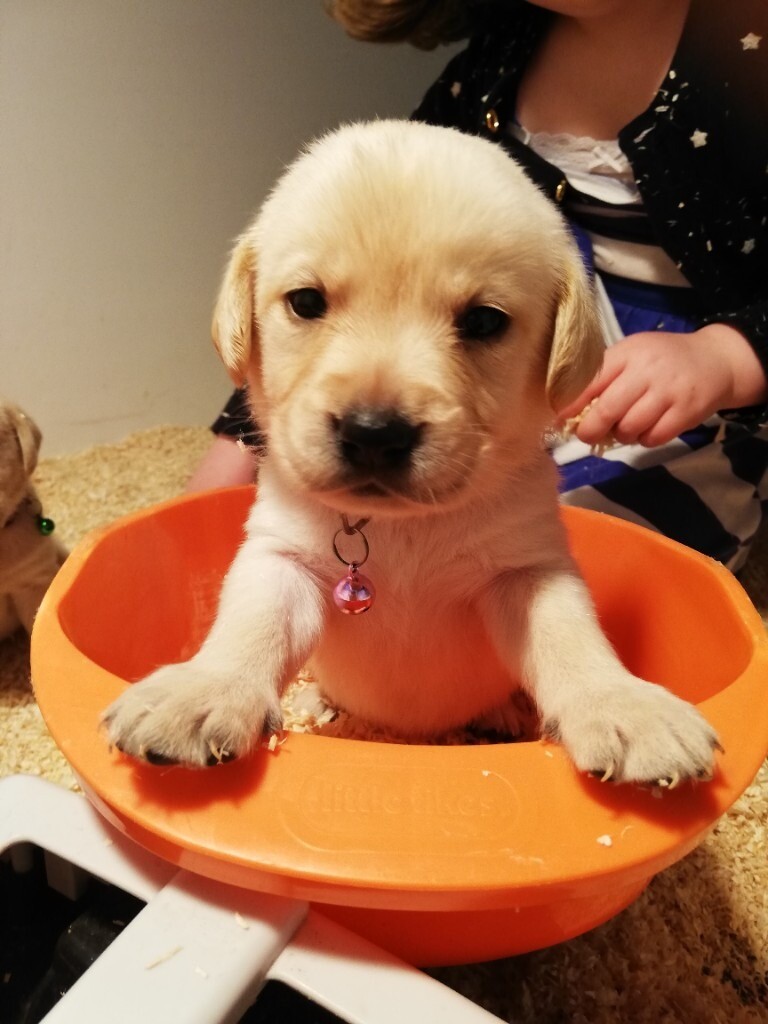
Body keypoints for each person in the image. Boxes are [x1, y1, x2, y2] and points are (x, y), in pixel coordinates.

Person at [189, 0, 768, 572]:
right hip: (515, 397)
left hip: (683, 420)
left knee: (584, 559)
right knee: (342, 534)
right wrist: (239, 445)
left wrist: (723, 357)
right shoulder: (498, 57)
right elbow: (364, 289)